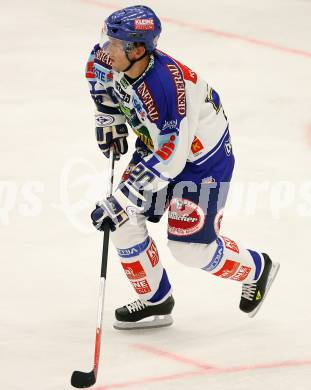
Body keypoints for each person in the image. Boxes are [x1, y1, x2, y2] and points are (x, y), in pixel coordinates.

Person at [86, 5, 280, 330]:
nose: (106, 48)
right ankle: (155, 301)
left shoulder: (164, 89)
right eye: (107, 38)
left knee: (190, 249)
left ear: (138, 49)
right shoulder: (106, 59)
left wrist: (121, 197)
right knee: (121, 223)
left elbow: (171, 160)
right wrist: (110, 119)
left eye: (115, 43)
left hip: (203, 163)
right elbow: (100, 85)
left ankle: (258, 268)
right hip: (158, 146)